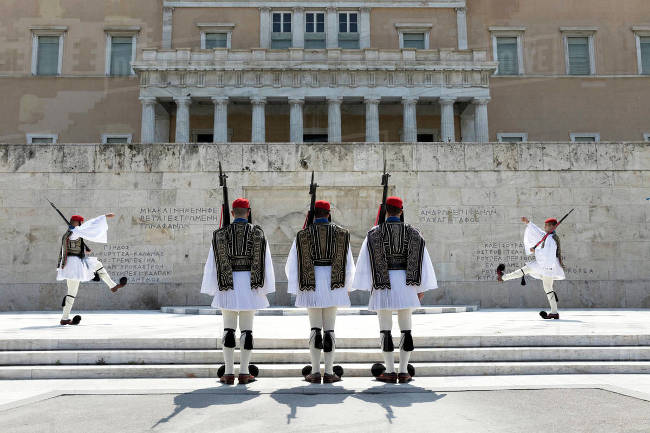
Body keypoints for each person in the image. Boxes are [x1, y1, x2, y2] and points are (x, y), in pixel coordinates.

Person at [352, 196, 438, 383]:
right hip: (407, 285)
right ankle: (404, 371)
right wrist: (420, 287)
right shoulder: (414, 233)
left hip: (383, 285)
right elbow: (423, 261)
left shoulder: (374, 233)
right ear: (401, 211)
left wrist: (369, 286)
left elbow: (365, 264)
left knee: (385, 330)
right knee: (406, 329)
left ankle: (390, 371)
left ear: (385, 211)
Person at [201, 198, 275, 385]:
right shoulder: (258, 233)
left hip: (227, 285)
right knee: (247, 330)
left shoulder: (219, 234)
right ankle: (244, 372)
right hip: (250, 285)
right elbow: (266, 262)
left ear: (232, 213)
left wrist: (212, 288)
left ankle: (227, 373)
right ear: (248, 212)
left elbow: (212, 264)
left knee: (228, 329)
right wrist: (265, 288)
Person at [285, 200, 355, 384]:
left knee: (315, 329)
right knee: (330, 329)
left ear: (313, 214)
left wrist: (296, 287)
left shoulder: (302, 235)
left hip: (311, 284)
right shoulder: (342, 234)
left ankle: (315, 372)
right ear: (329, 213)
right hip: (335, 284)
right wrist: (347, 287)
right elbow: (349, 264)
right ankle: (330, 372)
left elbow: (292, 265)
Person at [56, 213, 127, 325]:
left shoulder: (71, 232)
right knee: (72, 291)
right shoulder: (74, 232)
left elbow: (78, 239)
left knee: (73, 291)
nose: (82, 225)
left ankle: (64, 318)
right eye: (80, 223)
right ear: (77, 223)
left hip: (73, 264)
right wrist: (103, 217)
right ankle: (112, 286)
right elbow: (90, 225)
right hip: (74, 265)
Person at [497, 217, 565, 320]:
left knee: (526, 270)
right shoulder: (548, 236)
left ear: (552, 226)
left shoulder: (551, 239)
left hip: (545, 266)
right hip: (548, 267)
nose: (544, 227)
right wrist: (529, 223)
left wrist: (535, 251)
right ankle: (554, 312)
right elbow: (539, 232)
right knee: (548, 289)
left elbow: (547, 254)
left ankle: (503, 277)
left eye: (546, 225)